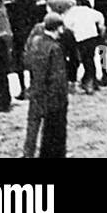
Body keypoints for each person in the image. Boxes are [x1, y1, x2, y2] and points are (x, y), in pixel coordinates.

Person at [23, 12, 70, 159]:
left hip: (36, 90)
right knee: (54, 131)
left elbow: (27, 61)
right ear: (58, 28)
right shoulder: (55, 48)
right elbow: (58, 77)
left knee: (33, 125)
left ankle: (28, 154)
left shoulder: (36, 41)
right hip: (52, 96)